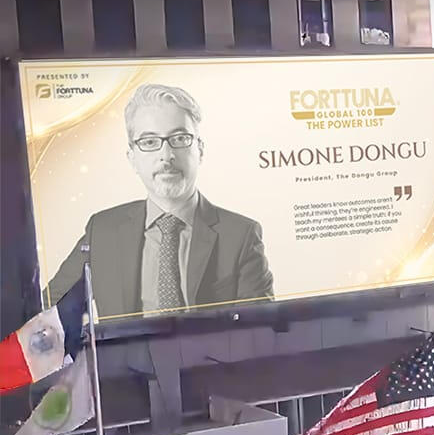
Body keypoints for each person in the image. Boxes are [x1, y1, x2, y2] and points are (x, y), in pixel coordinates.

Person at [46, 83, 274, 318]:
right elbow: (47, 311)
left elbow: (260, 332)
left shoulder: (242, 235)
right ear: (132, 158)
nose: (166, 156)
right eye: (149, 142)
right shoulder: (102, 230)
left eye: (180, 138)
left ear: (200, 150)